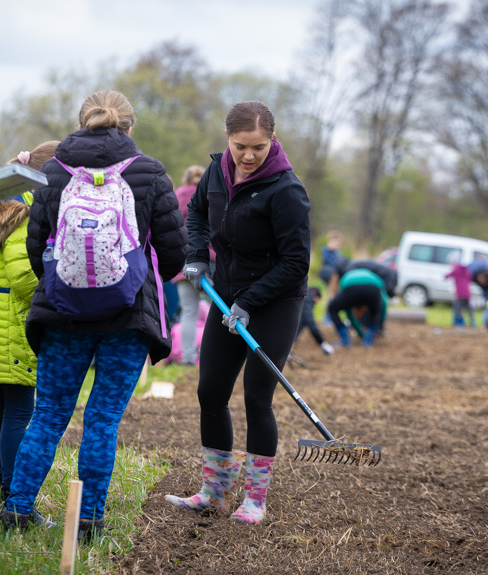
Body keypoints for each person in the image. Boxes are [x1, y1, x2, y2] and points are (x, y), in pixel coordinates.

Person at [0, 90, 187, 539]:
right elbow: (174, 253)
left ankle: (17, 511)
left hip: (62, 314)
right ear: (129, 127)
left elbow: (35, 244)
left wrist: (64, 283)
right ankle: (88, 520)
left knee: (47, 414)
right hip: (126, 317)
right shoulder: (150, 172)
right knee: (101, 420)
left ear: (82, 121)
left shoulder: (54, 171)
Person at [164, 101, 311, 525]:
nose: (248, 155)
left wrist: (250, 303)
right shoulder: (216, 171)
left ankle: (255, 500)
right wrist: (196, 256)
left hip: (275, 301)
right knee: (210, 392)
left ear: (273, 141)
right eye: (241, 146)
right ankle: (213, 493)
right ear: (228, 138)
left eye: (259, 147)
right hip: (226, 294)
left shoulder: (286, 191)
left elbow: (295, 263)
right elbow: (196, 215)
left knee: (256, 396)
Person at [0, 141, 58, 504]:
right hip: (14, 325)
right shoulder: (26, 215)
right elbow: (25, 277)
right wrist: (60, 294)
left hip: (3, 322)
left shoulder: (11, 209)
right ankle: (12, 490)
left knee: (8, 408)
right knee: (20, 410)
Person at [171, 165, 208, 365]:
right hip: (210, 260)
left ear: (185, 181)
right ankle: (217, 356)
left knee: (189, 312)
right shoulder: (209, 194)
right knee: (219, 310)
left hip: (185, 260)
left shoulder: (177, 196)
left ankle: (187, 357)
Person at [328, 267, 386, 348]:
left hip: (351, 287)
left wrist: (359, 332)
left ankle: (345, 341)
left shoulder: (347, 275)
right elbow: (382, 308)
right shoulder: (371, 275)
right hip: (374, 288)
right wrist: (381, 325)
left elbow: (349, 315)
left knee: (332, 309)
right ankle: (368, 342)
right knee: (376, 312)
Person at [295, 286, 334, 355]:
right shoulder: (307, 300)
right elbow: (310, 323)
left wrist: (293, 339)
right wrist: (323, 343)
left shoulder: (302, 294)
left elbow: (303, 322)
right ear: (315, 295)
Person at [445, 253, 475, 328]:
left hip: (460, 293)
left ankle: (459, 323)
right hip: (467, 293)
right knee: (468, 308)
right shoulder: (465, 270)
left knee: (458, 308)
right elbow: (470, 278)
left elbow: (446, 276)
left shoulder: (456, 270)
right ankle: (472, 322)